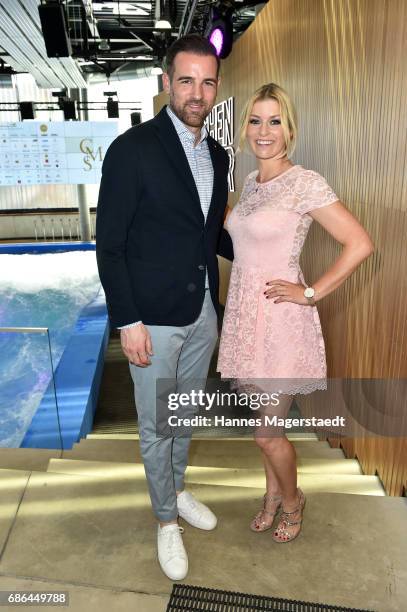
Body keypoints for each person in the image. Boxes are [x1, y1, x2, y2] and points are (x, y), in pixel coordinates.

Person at [96, 34, 233, 580]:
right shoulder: (132, 150)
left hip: (202, 311)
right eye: (186, 80)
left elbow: (206, 235)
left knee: (185, 414)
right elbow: (111, 245)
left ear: (215, 87)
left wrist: (268, 251)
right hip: (151, 318)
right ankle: (163, 520)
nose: (196, 92)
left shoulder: (217, 154)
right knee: (156, 425)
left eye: (207, 82)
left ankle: (177, 491)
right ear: (165, 83)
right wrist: (127, 321)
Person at [217, 83, 374, 543]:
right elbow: (238, 238)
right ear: (245, 128)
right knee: (265, 424)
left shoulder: (305, 181)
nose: (264, 131)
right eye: (255, 120)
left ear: (290, 128)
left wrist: (310, 292)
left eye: (275, 121)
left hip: (283, 321)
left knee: (267, 434)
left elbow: (360, 243)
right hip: (246, 319)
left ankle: (292, 500)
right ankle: (271, 495)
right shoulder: (249, 184)